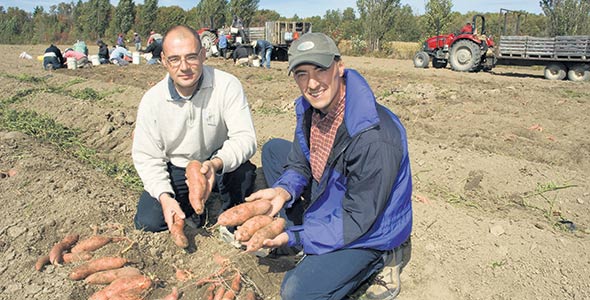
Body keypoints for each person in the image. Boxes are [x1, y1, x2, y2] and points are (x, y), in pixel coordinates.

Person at [245, 32, 413, 300]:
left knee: (296, 292)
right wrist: (284, 191)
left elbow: (358, 218)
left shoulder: (374, 137)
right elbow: (299, 162)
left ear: (340, 67)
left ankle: (383, 258)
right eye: (301, 73)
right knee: (274, 151)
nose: (311, 83)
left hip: (371, 227)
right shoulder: (310, 109)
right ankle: (310, 227)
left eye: (320, 69)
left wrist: (295, 237)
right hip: (339, 197)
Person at [132, 25, 257, 243]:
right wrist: (164, 196)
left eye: (191, 57)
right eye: (174, 59)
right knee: (148, 222)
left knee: (243, 172)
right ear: (163, 60)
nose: (184, 67)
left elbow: (245, 138)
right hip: (178, 167)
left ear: (203, 54)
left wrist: (216, 163)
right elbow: (148, 157)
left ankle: (230, 213)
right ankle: (190, 205)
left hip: (218, 163)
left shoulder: (227, 85)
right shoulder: (153, 101)